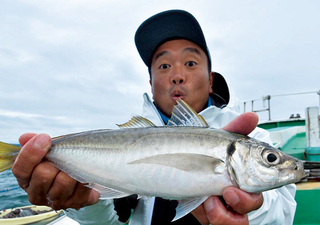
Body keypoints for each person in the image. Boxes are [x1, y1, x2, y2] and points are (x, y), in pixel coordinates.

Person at [12, 10, 297, 225]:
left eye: (190, 62)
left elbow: (283, 213)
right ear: (150, 83)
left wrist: (251, 209)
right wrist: (82, 200)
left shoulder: (252, 138)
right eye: (163, 65)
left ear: (211, 81)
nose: (176, 74)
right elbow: (107, 222)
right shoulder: (132, 135)